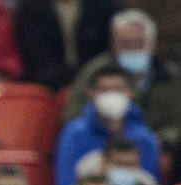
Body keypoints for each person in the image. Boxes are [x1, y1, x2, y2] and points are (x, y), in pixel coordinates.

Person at [63, 9, 181, 155]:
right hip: (100, 144)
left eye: (138, 43)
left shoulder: (170, 75)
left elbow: (177, 124)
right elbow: (73, 113)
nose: (132, 50)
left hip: (155, 147)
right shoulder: (95, 71)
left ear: (152, 44)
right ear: (113, 44)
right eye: (125, 44)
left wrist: (157, 140)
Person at [55, 65, 160, 185]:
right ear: (91, 92)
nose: (111, 95)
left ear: (131, 92)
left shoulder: (145, 137)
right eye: (104, 90)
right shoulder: (74, 133)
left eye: (118, 89)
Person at [13, 0, 116, 91]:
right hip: (45, 82)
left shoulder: (103, 5)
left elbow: (105, 47)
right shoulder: (31, 7)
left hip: (95, 77)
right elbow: (35, 51)